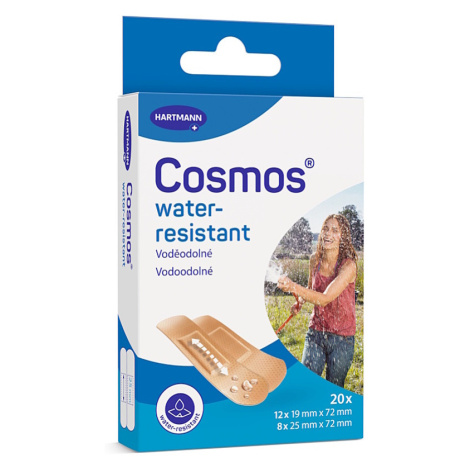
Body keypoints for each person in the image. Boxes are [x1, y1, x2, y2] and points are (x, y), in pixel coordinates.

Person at [277, 214, 357, 387]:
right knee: (306, 385)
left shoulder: (348, 266)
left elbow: (325, 299)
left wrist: (293, 287)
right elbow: (312, 289)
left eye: (335, 230)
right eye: (325, 229)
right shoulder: (315, 260)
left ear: (342, 237)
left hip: (342, 338)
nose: (328, 233)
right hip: (316, 333)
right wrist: (299, 302)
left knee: (333, 388)